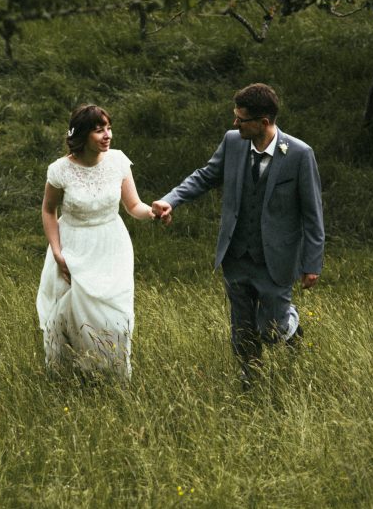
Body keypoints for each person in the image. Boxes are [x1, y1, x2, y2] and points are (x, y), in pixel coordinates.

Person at [151, 83, 324, 389]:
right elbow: (205, 176)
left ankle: (290, 323)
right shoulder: (233, 142)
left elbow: (313, 213)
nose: (235, 123)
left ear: (263, 122)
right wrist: (171, 200)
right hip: (236, 254)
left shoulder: (299, 154)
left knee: (272, 329)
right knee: (242, 325)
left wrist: (312, 263)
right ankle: (250, 376)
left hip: (276, 258)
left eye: (241, 119)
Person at [37, 104, 155, 380]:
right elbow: (48, 210)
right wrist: (57, 252)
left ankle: (111, 374)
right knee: (70, 310)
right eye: (99, 130)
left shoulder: (118, 161)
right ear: (82, 134)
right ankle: (70, 375)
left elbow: (133, 205)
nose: (107, 135)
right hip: (73, 244)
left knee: (114, 313)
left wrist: (153, 212)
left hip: (111, 244)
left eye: (109, 128)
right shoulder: (60, 170)